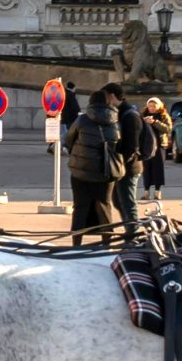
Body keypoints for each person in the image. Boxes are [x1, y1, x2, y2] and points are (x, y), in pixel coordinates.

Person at [66, 81, 126, 247]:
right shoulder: (116, 121)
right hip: (105, 172)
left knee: (80, 207)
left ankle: (76, 244)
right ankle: (107, 243)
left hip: (81, 171)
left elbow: (69, 140)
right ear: (108, 102)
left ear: (90, 102)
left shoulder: (82, 120)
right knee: (104, 206)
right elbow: (118, 144)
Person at [111, 85, 145, 237]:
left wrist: (121, 164)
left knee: (127, 202)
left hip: (129, 167)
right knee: (118, 201)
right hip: (124, 166)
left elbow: (132, 146)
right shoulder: (123, 113)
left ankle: (133, 235)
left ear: (112, 96)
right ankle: (129, 230)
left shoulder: (130, 115)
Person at [137, 96, 173, 209]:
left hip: (160, 146)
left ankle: (157, 191)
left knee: (158, 168)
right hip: (146, 146)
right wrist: (143, 122)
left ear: (159, 106)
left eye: (154, 106)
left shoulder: (163, 116)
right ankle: (146, 191)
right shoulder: (143, 115)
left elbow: (168, 129)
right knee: (146, 168)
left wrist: (155, 122)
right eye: (150, 106)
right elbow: (137, 129)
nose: (152, 108)